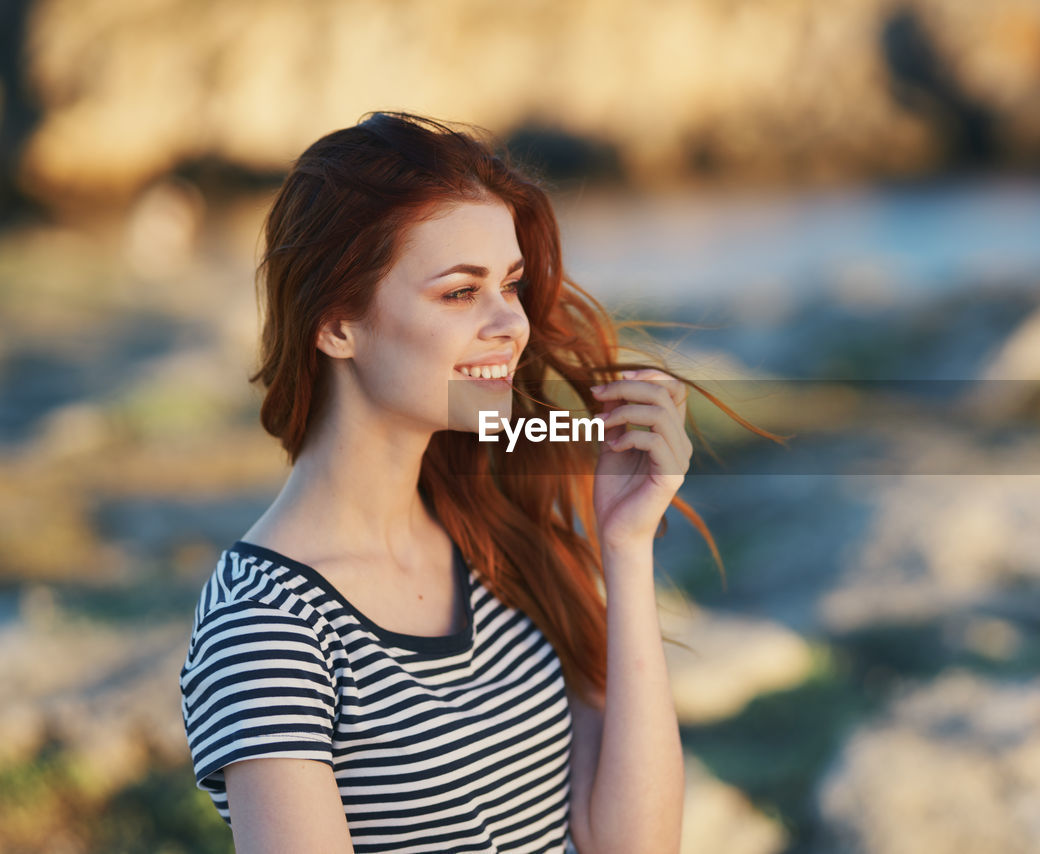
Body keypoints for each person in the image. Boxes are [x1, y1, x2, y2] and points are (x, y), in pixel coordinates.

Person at [177, 111, 767, 854]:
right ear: (336, 325)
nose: (511, 326)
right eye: (460, 293)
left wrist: (625, 544)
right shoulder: (268, 628)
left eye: (511, 286)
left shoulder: (499, 538)